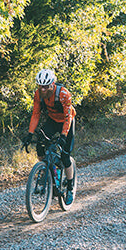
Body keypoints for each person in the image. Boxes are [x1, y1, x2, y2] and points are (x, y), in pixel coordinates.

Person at [22, 68, 75, 203]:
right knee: (40, 145)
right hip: (52, 121)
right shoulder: (38, 94)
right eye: (41, 86)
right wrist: (30, 134)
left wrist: (63, 135)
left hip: (66, 122)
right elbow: (36, 114)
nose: (43, 89)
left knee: (65, 155)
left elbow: (68, 116)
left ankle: (70, 187)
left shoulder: (63, 94)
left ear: (52, 84)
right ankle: (48, 170)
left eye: (46, 86)